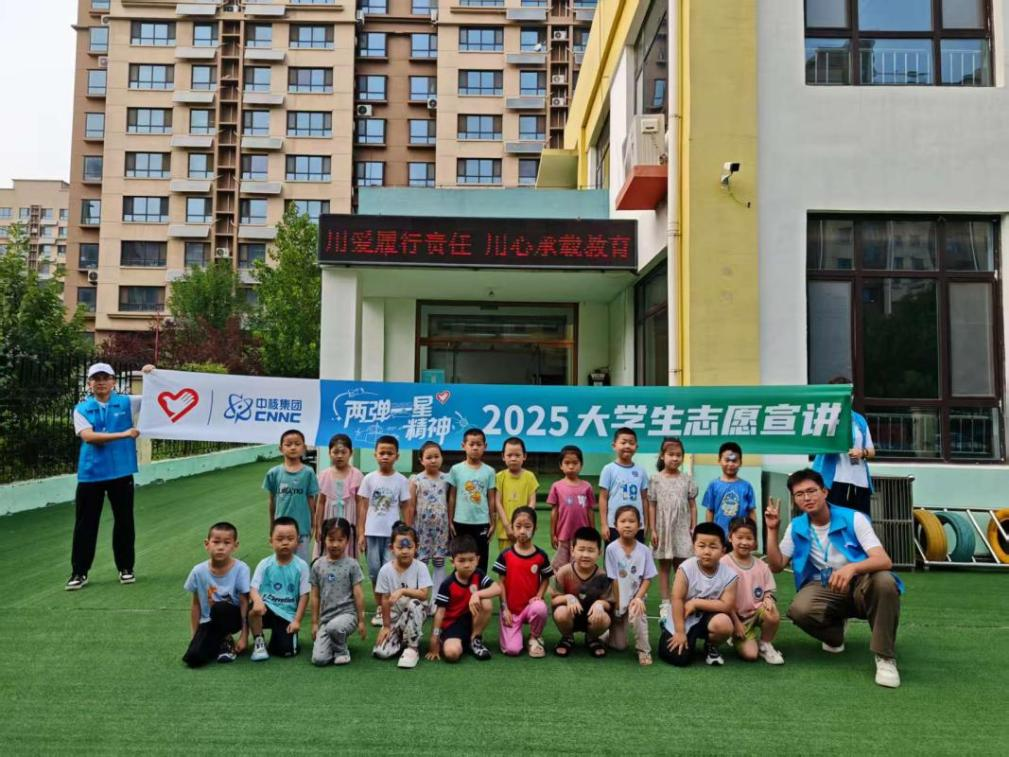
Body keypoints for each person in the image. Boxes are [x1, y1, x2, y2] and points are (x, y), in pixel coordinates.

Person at [765, 469, 903, 688]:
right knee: (799, 610)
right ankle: (834, 635)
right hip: (825, 585)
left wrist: (852, 569)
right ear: (795, 499)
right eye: (799, 494)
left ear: (825, 492)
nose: (807, 498)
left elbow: (883, 560)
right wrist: (772, 530)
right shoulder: (796, 526)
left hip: (861, 582)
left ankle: (885, 657)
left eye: (812, 491)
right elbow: (776, 565)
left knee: (885, 582)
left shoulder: (853, 518)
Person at [67, 362, 154, 590]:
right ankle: (79, 572)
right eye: (96, 379)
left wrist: (150, 375)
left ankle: (126, 568)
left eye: (105, 378)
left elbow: (156, 399)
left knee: (124, 521)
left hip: (121, 471)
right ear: (89, 383)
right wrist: (124, 434)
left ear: (114, 382)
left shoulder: (127, 402)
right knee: (85, 524)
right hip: (91, 473)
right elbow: (89, 437)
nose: (101, 382)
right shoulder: (81, 409)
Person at [658, 522, 737, 667]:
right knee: (679, 659)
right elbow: (676, 599)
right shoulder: (685, 568)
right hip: (683, 616)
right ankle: (670, 629)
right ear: (694, 547)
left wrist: (696, 603)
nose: (707, 551)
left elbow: (726, 605)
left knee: (724, 624)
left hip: (709, 616)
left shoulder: (730, 575)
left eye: (713, 547)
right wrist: (680, 632)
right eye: (701, 546)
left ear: (723, 550)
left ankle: (711, 645)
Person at [357, 435, 412, 627]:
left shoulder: (401, 480)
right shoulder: (369, 479)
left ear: (397, 456)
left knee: (390, 571)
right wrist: (361, 533)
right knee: (374, 572)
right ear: (375, 455)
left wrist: (408, 532)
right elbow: (363, 507)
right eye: (382, 453)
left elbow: (406, 506)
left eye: (390, 453)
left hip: (392, 536)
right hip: (372, 534)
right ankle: (381, 607)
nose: (385, 456)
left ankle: (392, 607)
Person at [181, 521, 250, 667]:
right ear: (207, 544)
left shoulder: (241, 569)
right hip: (209, 622)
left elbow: (245, 602)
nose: (220, 547)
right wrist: (194, 636)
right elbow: (196, 605)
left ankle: (227, 639)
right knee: (193, 658)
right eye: (216, 542)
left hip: (232, 618)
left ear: (235, 545)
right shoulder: (198, 571)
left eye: (227, 542)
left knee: (220, 608)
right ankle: (218, 642)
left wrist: (244, 636)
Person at [721, 518, 784, 665]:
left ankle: (765, 644)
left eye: (749, 538)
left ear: (755, 541)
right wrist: (736, 623)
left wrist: (768, 598)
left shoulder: (762, 566)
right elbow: (722, 600)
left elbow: (768, 591)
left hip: (756, 612)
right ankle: (734, 635)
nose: (744, 542)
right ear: (730, 537)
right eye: (739, 537)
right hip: (735, 617)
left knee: (772, 611)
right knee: (750, 655)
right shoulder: (723, 564)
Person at [427, 534, 498, 663]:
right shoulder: (447, 584)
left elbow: (497, 588)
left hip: (471, 621)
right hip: (452, 626)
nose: (467, 565)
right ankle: (450, 641)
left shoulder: (478, 574)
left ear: (477, 559)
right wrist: (434, 637)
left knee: (486, 601)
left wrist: (477, 595)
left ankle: (475, 639)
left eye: (471, 560)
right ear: (453, 561)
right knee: (452, 654)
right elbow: (440, 613)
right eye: (461, 560)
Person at [647, 436, 698, 619]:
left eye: (678, 455)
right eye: (671, 454)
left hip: (682, 528)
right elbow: (652, 505)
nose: (675, 458)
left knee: (683, 567)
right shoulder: (655, 479)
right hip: (663, 529)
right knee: (664, 567)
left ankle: (682, 600)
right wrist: (653, 529)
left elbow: (692, 505)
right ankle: (665, 603)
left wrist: (693, 527)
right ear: (662, 456)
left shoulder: (687, 479)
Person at [493, 507, 552, 658]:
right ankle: (515, 636)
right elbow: (501, 583)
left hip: (530, 607)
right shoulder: (505, 555)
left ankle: (534, 637)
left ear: (535, 528)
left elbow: (546, 578)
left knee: (540, 608)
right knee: (512, 650)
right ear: (512, 527)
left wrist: (539, 595)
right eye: (518, 526)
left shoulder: (541, 555)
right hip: (511, 611)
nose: (522, 531)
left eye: (527, 526)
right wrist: (504, 608)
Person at [249, 517, 310, 661]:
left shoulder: (301, 566)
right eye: (280, 539)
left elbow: (304, 596)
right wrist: (257, 601)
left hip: (287, 614)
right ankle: (259, 641)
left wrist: (297, 621)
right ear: (271, 541)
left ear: (298, 541)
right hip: (267, 608)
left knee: (285, 651)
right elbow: (253, 588)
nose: (285, 542)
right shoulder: (265, 564)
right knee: (253, 610)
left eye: (290, 538)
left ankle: (279, 639)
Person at [812, 377, 875, 516]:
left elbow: (871, 451)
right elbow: (819, 442)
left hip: (859, 481)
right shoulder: (825, 418)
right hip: (834, 480)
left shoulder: (859, 420)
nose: (847, 399)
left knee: (860, 520)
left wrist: (862, 452)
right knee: (834, 520)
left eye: (849, 395)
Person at [372, 522, 432, 669]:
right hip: (395, 620)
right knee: (381, 652)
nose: (405, 551)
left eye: (409, 547)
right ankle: (401, 638)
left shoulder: (421, 567)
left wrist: (403, 591)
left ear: (416, 547)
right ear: (391, 548)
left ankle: (412, 648)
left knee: (414, 603)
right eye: (400, 547)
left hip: (415, 613)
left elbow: (424, 594)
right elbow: (384, 600)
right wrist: (386, 626)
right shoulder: (385, 570)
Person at [310, 518, 367, 667]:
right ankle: (334, 643)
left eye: (340, 540)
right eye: (331, 539)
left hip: (348, 615)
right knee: (319, 659)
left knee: (335, 627)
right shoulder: (317, 565)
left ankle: (342, 651)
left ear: (347, 540)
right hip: (326, 619)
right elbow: (315, 596)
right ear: (324, 539)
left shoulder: (352, 565)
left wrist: (361, 620)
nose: (335, 544)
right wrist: (315, 622)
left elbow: (358, 594)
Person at [551, 526, 614, 658]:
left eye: (591, 550)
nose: (585, 555)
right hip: (570, 615)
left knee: (604, 619)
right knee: (560, 613)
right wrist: (568, 597)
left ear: (599, 552)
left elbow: (609, 604)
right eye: (581, 549)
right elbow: (554, 600)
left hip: (592, 617)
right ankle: (567, 637)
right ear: (572, 550)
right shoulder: (564, 572)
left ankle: (592, 638)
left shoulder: (603, 576)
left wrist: (600, 604)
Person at [605, 506, 657, 666]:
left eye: (632, 521)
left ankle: (644, 650)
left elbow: (648, 578)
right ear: (615, 525)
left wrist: (638, 598)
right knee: (619, 646)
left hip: (636, 597)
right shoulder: (611, 549)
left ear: (639, 525)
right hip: (617, 599)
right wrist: (618, 605)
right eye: (623, 521)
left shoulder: (645, 551)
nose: (627, 525)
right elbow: (613, 578)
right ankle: (609, 633)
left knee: (638, 610)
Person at [262, 429, 319, 562]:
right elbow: (272, 501)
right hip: (280, 529)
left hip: (302, 529)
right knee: (281, 562)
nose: (293, 447)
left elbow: (311, 500)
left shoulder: (308, 472)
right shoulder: (274, 473)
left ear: (304, 448)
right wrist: (272, 525)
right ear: (281, 448)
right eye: (288, 444)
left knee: (301, 564)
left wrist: (314, 524)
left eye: (297, 444)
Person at [447, 427, 497, 573]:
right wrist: (450, 520)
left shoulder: (489, 471)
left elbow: (491, 498)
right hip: (460, 521)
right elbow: (452, 496)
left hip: (481, 522)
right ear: (463, 446)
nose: (475, 448)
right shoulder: (456, 469)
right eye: (471, 444)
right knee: (460, 556)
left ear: (485, 446)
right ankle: (459, 585)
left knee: (481, 559)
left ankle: (479, 585)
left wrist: (493, 521)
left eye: (479, 444)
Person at [409, 441, 451, 612]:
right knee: (422, 563)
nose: (433, 460)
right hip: (422, 530)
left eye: (436, 456)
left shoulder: (447, 479)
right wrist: (409, 528)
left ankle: (437, 601)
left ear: (441, 458)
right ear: (421, 460)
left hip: (441, 529)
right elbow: (411, 506)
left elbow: (451, 502)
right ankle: (421, 600)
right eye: (429, 457)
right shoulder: (416, 480)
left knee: (440, 562)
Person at [547, 444, 596, 571]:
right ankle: (560, 583)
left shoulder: (587, 487)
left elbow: (590, 511)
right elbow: (554, 511)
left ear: (581, 465)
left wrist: (592, 532)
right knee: (560, 566)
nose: (571, 466)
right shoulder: (556, 486)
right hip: (563, 534)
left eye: (575, 463)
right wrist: (553, 533)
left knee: (579, 565)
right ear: (561, 465)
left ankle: (578, 583)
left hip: (581, 536)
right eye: (567, 463)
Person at [314, 433, 363, 560]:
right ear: (329, 453)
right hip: (329, 517)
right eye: (335, 452)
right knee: (327, 548)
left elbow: (359, 503)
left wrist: (360, 528)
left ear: (350, 453)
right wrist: (318, 526)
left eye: (343, 452)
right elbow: (320, 502)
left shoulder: (357, 475)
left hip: (349, 518)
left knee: (347, 549)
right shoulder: (324, 475)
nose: (339, 456)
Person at [598, 427, 649, 544]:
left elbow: (644, 499)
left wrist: (646, 523)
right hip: (614, 525)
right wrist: (604, 524)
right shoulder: (608, 469)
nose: (627, 446)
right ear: (614, 445)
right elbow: (603, 498)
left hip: (636, 525)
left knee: (637, 553)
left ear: (636, 447)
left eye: (631, 443)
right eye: (623, 442)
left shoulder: (641, 471)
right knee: (614, 553)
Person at [702, 442, 756, 541]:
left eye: (734, 461)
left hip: (740, 537)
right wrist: (710, 533)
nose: (730, 464)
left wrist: (753, 535)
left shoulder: (746, 486)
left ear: (740, 462)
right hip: (719, 535)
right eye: (727, 460)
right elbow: (710, 511)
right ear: (719, 461)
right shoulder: (713, 485)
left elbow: (751, 512)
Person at [494, 436, 539, 554]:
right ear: (503, 456)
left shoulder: (530, 477)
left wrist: (524, 524)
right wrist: (507, 526)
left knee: (525, 557)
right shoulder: (499, 477)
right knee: (506, 560)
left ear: (524, 456)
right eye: (509, 455)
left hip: (524, 530)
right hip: (505, 531)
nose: (513, 458)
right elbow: (497, 502)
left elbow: (532, 502)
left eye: (517, 455)